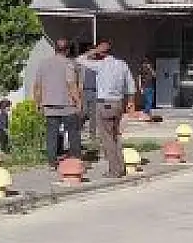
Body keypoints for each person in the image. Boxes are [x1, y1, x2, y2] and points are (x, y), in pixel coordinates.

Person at [76, 39, 138, 178]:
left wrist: (94, 50)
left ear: (101, 52)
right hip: (118, 103)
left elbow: (79, 59)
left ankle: (114, 170)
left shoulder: (100, 65)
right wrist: (131, 101)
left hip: (104, 103)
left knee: (107, 138)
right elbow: (131, 84)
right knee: (116, 136)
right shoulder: (122, 64)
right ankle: (120, 167)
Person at [31, 37, 83, 168]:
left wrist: (37, 102)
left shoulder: (43, 64)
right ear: (67, 50)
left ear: (55, 49)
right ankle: (75, 160)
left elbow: (37, 85)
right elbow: (71, 83)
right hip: (67, 105)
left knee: (51, 134)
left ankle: (52, 162)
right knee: (73, 133)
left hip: (49, 104)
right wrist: (78, 101)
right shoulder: (69, 63)